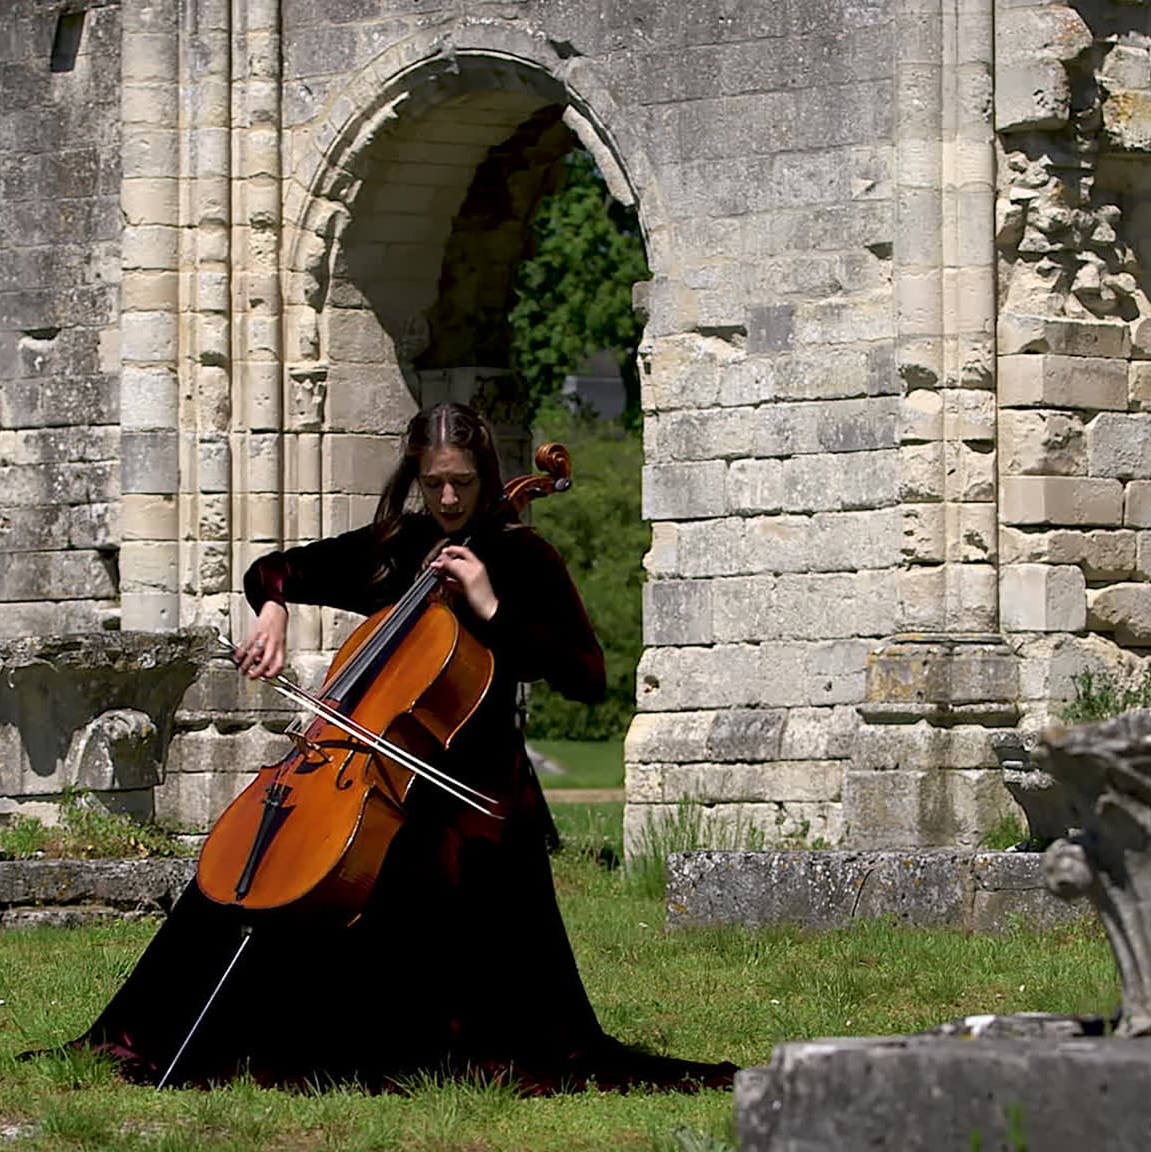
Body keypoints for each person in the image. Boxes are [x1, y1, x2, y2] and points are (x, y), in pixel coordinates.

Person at [56, 403, 735, 1093]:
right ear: (417, 474)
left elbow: (586, 676)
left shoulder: (521, 555)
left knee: (406, 873)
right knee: (246, 876)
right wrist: (272, 612)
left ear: (486, 476)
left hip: (478, 799)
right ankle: (152, 1037)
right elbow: (277, 570)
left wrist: (488, 604)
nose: (447, 498)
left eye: (462, 483)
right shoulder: (398, 546)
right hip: (377, 771)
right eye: (434, 481)